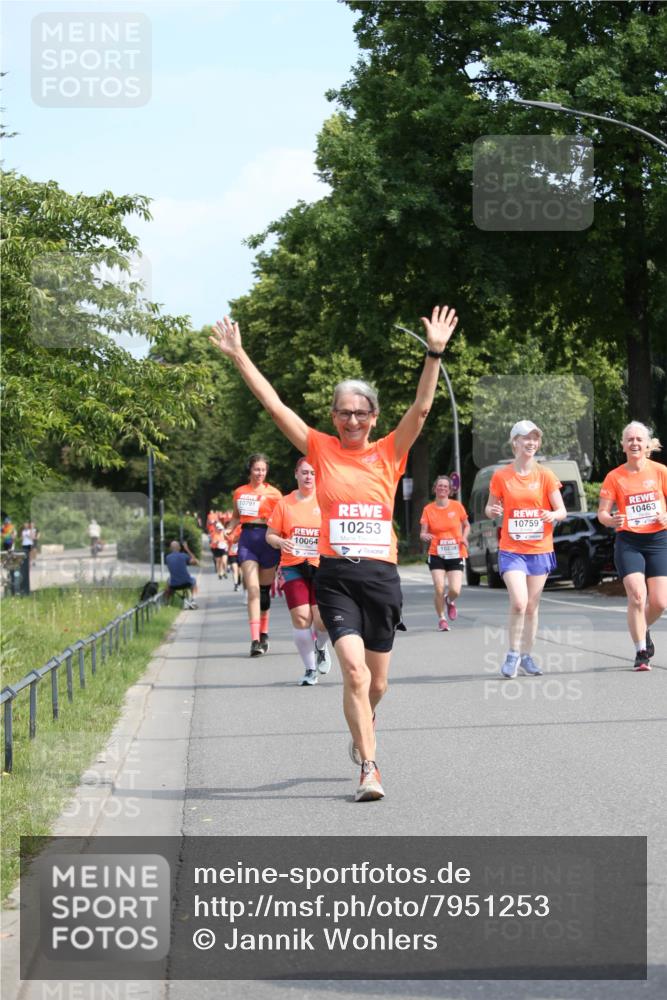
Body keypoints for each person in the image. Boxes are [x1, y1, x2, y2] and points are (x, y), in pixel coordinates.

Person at [210, 304, 458, 802]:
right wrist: (238, 355)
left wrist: (433, 354)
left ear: (373, 417)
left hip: (381, 579)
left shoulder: (389, 451)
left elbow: (422, 409)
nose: (352, 420)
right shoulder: (320, 449)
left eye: (360, 413)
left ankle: (365, 721)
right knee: (354, 673)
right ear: (333, 417)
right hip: (337, 578)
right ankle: (369, 767)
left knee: (377, 685)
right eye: (343, 412)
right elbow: (275, 406)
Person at [485, 420, 567, 679]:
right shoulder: (501, 476)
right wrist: (493, 510)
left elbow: (562, 510)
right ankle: (512, 654)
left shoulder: (545, 475)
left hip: (540, 549)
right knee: (519, 603)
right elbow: (489, 508)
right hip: (512, 549)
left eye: (535, 438)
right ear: (515, 442)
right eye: (526, 438)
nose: (531, 442)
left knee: (532, 606)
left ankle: (526, 655)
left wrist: (552, 515)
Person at [598, 421, 667, 671]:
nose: (634, 443)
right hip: (629, 541)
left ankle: (642, 627)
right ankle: (641, 652)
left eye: (639, 439)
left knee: (659, 602)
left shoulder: (660, 471)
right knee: (637, 595)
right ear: (623, 445)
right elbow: (602, 514)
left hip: (658, 540)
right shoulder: (614, 477)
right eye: (630, 439)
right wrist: (611, 520)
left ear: (647, 444)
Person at [266, 457, 332, 686]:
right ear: (296, 474)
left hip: (321, 566)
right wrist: (280, 542)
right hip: (292, 565)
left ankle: (321, 647)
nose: (308, 477)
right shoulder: (285, 503)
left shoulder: (326, 500)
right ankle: (310, 669)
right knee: (302, 617)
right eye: (304, 472)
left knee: (322, 620)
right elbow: (270, 535)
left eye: (312, 473)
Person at [227, 454, 283, 657]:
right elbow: (236, 517)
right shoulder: (240, 492)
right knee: (253, 590)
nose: (260, 473)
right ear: (250, 470)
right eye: (257, 469)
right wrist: (229, 529)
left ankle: (264, 633)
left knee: (264, 593)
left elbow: (283, 519)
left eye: (263, 470)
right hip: (248, 540)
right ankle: (255, 640)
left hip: (268, 541)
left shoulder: (275, 494)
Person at [419, 476, 470, 631]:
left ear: (450, 490)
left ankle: (449, 600)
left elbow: (466, 525)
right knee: (439, 587)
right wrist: (424, 536)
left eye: (445, 486)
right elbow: (423, 532)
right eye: (439, 486)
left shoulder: (457, 506)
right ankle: (442, 619)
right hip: (436, 553)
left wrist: (464, 537)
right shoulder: (428, 509)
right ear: (435, 488)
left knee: (455, 590)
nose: (442, 488)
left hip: (456, 552)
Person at [165, 539, 199, 608]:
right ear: (179, 548)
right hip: (186, 582)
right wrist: (187, 549)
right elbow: (195, 562)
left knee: (168, 580)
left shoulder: (167, 557)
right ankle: (193, 600)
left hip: (174, 585)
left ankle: (167, 603)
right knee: (194, 580)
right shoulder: (184, 555)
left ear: (170, 549)